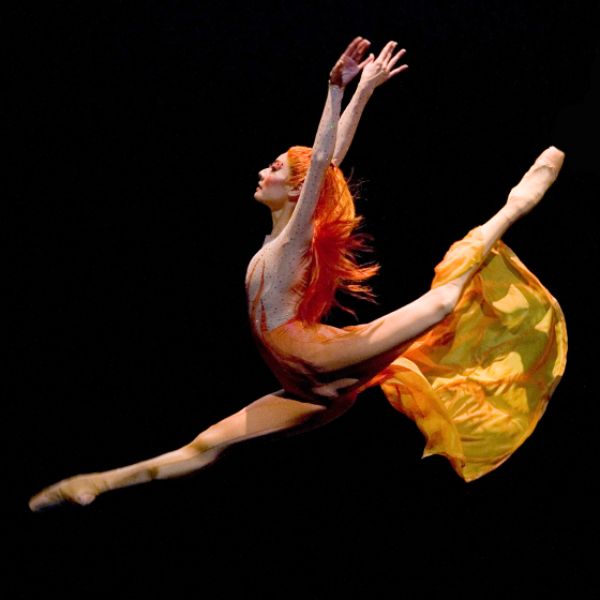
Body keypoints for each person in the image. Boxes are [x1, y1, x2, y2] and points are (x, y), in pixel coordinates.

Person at [29, 37, 566, 510]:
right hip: (306, 388)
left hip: (319, 359)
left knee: (443, 301)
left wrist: (339, 89)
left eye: (275, 168)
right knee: (206, 445)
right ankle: (97, 483)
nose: (263, 171)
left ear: (293, 189)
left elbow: (323, 161)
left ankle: (514, 206)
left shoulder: (290, 241)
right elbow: (325, 164)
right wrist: (363, 91)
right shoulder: (286, 238)